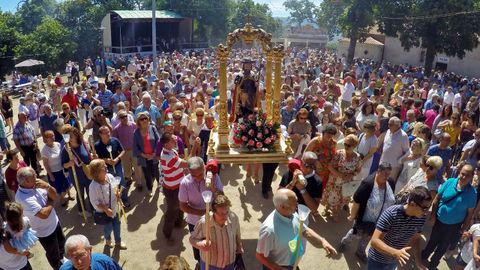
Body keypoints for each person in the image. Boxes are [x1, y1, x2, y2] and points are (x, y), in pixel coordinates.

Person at [256, 189, 337, 269]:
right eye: (294, 203)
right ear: (282, 207)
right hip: (279, 266)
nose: (297, 205)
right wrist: (277, 268)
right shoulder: (269, 230)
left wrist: (323, 241)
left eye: (296, 201)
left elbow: (305, 231)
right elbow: (260, 255)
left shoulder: (292, 214)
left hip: (291, 264)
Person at [422, 164, 477, 270]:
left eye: (467, 175)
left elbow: (469, 214)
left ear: (471, 177)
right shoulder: (450, 182)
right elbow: (437, 199)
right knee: (432, 241)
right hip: (439, 220)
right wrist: (432, 216)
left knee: (442, 247)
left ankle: (433, 265)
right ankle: (423, 257)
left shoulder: (472, 193)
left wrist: (463, 228)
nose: (464, 177)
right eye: (462, 174)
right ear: (459, 172)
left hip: (454, 226)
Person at [338, 163, 395, 263]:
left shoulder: (390, 182)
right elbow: (357, 201)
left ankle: (360, 251)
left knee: (368, 237)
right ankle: (344, 243)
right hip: (364, 218)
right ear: (378, 171)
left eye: (389, 174)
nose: (387, 176)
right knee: (354, 233)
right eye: (384, 173)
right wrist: (352, 216)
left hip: (379, 221)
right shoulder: (368, 184)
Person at [368, 186, 432, 270]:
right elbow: (374, 241)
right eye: (424, 208)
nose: (426, 212)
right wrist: (396, 252)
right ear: (413, 204)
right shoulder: (391, 214)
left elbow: (416, 238)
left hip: (394, 260)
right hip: (377, 259)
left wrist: (418, 262)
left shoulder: (421, 217)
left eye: (429, 208)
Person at [15, 167, 66, 270]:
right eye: (34, 176)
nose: (37, 177)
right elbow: (44, 214)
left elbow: (54, 194)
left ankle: (62, 259)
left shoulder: (38, 184)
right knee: (53, 255)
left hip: (55, 223)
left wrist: (47, 186)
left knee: (62, 245)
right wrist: (51, 201)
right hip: (45, 232)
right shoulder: (22, 198)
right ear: (27, 181)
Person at [179, 157, 223, 263]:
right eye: (193, 175)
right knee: (198, 245)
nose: (198, 178)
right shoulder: (185, 183)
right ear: (188, 172)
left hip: (214, 219)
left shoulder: (214, 177)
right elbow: (183, 206)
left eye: (199, 174)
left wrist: (213, 187)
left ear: (204, 167)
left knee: (214, 244)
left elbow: (222, 198)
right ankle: (199, 261)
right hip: (194, 221)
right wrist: (202, 213)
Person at [189, 194, 243, 270]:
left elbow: (237, 234)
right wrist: (200, 244)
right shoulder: (204, 223)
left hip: (230, 262)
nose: (225, 216)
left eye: (227, 212)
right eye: (221, 214)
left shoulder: (233, 218)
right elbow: (192, 239)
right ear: (213, 212)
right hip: (211, 264)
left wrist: (239, 245)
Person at [87, 159, 127, 250]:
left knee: (117, 225)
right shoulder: (93, 186)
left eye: (105, 165)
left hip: (114, 208)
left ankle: (118, 241)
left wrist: (118, 194)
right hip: (103, 213)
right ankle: (108, 240)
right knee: (108, 228)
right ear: (97, 172)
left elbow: (115, 188)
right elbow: (94, 201)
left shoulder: (109, 176)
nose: (106, 167)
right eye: (103, 166)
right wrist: (105, 209)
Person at [323, 134, 362, 221]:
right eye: (345, 144)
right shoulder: (339, 153)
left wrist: (352, 175)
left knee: (342, 199)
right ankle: (333, 213)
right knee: (332, 198)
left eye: (349, 145)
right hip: (335, 181)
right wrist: (340, 175)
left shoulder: (357, 157)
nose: (346, 146)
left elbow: (358, 170)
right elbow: (330, 166)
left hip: (347, 183)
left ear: (354, 146)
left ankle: (334, 211)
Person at [160, 133, 188, 240]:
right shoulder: (168, 157)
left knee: (181, 205)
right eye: (172, 139)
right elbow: (186, 164)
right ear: (167, 144)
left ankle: (178, 223)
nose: (176, 139)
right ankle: (167, 233)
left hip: (178, 185)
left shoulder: (171, 151)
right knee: (171, 212)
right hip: (173, 189)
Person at [61, 126, 93, 217]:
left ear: (76, 134)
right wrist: (69, 164)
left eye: (71, 135)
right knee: (80, 193)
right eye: (67, 136)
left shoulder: (83, 143)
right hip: (76, 176)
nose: (69, 138)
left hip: (88, 173)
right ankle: (81, 210)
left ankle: (93, 208)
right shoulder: (66, 149)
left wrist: (92, 155)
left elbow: (89, 154)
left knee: (90, 191)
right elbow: (63, 164)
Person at [94, 126, 129, 207]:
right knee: (110, 185)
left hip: (118, 166)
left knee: (122, 182)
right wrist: (106, 160)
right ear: (100, 134)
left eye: (108, 132)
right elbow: (96, 158)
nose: (108, 134)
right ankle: (114, 202)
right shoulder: (97, 145)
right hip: (106, 169)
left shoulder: (115, 140)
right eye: (105, 133)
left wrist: (117, 159)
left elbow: (122, 151)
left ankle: (125, 199)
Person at [112, 110, 143, 190]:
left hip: (134, 150)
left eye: (125, 116)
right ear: (119, 118)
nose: (124, 118)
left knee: (137, 167)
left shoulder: (133, 125)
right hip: (124, 152)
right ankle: (128, 179)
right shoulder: (116, 129)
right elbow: (115, 141)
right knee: (126, 167)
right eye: (122, 117)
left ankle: (139, 182)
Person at [133, 112, 160, 195]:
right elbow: (135, 146)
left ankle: (160, 184)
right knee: (147, 174)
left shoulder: (153, 128)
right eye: (142, 119)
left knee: (156, 172)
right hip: (143, 157)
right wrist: (143, 154)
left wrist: (154, 153)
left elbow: (158, 141)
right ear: (138, 121)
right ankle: (149, 188)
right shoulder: (136, 132)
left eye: (146, 118)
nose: (144, 120)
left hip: (154, 156)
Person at [379, 116, 410, 181]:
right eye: (388, 124)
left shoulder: (403, 136)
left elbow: (407, 152)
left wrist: (399, 161)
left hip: (393, 166)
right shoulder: (388, 131)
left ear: (397, 125)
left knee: (389, 184)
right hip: (383, 162)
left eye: (390, 125)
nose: (388, 126)